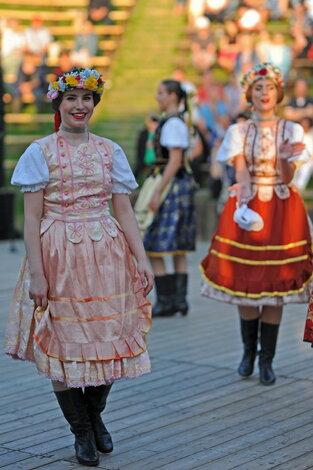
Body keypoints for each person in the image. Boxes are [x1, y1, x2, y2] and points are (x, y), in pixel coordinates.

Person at [4, 67, 153, 467]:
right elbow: (31, 219)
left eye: (86, 98)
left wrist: (142, 259)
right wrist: (38, 273)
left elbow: (123, 208)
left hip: (106, 253)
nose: (79, 105)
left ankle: (95, 413)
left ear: (94, 104)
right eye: (71, 98)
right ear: (59, 103)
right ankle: (82, 430)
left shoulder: (110, 151)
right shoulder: (40, 151)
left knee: (106, 338)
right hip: (57, 254)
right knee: (64, 342)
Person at [200, 63, 313, 386]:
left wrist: (281, 159)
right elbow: (240, 171)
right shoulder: (239, 131)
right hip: (250, 204)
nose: (265, 94)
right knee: (246, 281)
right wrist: (246, 202)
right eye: (259, 89)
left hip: (281, 205)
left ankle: (267, 359)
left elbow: (290, 176)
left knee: (275, 284)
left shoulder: (291, 130)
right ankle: (249, 352)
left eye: (271, 88)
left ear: (279, 93)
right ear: (250, 94)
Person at [136, 80, 196, 317]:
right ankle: (177, 300)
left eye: (160, 93)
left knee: (153, 241)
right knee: (177, 246)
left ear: (172, 96)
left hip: (170, 185)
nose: (157, 97)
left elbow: (175, 160)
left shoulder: (172, 123)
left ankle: (167, 301)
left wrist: (158, 191)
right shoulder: (175, 122)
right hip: (177, 184)